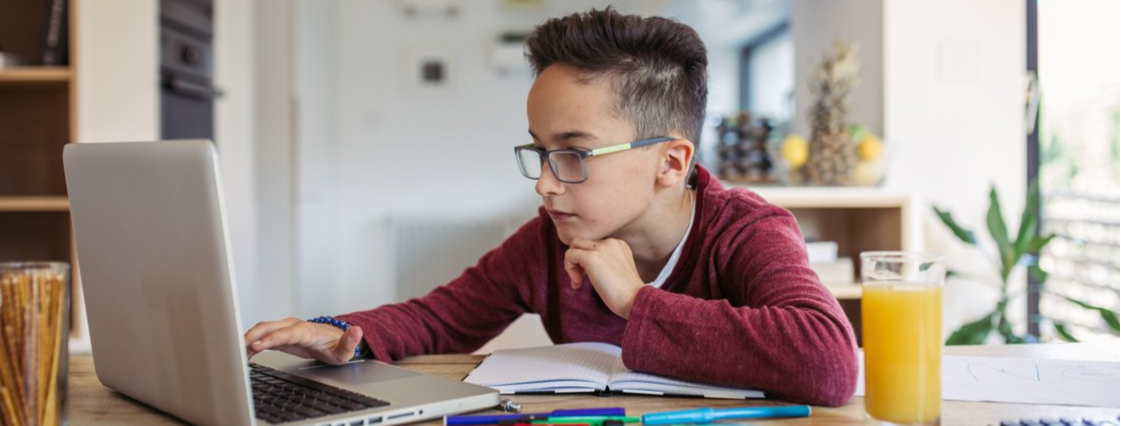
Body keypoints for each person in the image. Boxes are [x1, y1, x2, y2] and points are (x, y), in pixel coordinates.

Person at [244, 7, 858, 407]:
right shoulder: (550, 238)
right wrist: (333, 333)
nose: (543, 184)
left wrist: (635, 301)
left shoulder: (745, 230)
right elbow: (440, 318)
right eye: (538, 152)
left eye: (573, 153)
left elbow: (829, 363)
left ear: (670, 163)